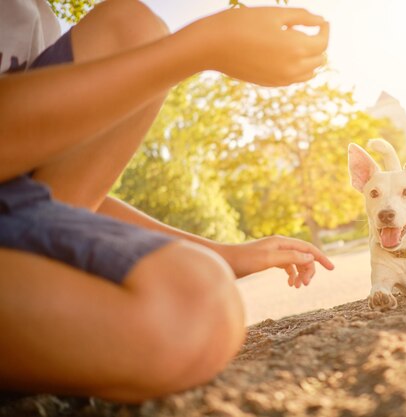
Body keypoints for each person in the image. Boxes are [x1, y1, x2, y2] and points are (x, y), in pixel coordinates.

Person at [0, 0, 332, 403]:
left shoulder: (34, 15)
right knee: (192, 312)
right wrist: (199, 48)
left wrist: (227, 254)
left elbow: (38, 195)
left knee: (130, 26)